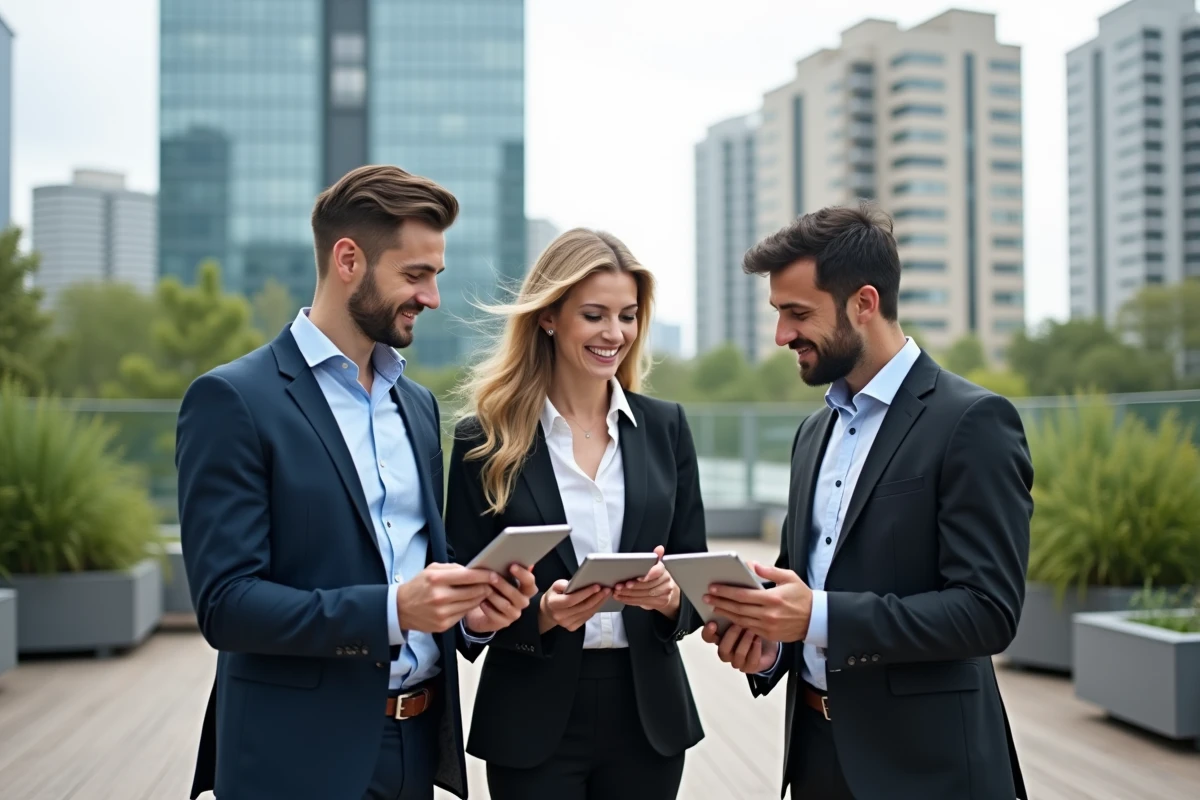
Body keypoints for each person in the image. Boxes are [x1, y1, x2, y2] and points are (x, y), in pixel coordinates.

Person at [176, 165, 536, 800]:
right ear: (348, 259)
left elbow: (424, 572)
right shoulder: (233, 400)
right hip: (296, 758)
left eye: (435, 276)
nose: (432, 297)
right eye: (415, 275)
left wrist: (473, 615)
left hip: (417, 750)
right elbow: (227, 606)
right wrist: (392, 609)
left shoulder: (419, 407)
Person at [701, 203, 1032, 800]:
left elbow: (988, 611)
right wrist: (769, 644)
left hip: (929, 773)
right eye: (778, 313)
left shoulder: (973, 421)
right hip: (816, 762)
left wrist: (818, 616)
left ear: (865, 302)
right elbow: (803, 590)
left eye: (798, 313)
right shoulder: (812, 435)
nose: (781, 335)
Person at [444, 229, 707, 800]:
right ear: (548, 318)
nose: (615, 334)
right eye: (593, 315)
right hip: (530, 712)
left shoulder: (666, 429)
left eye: (628, 316)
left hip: (648, 717)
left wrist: (670, 600)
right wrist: (543, 614)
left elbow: (698, 573)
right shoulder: (483, 439)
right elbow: (460, 600)